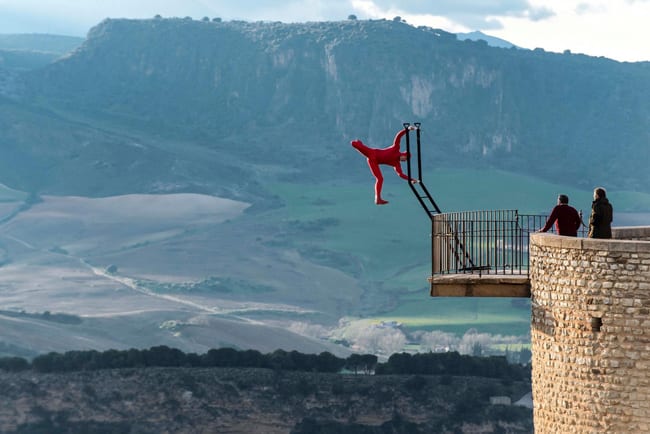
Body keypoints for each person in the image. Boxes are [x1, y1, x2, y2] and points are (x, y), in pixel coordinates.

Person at [351, 126, 419, 205]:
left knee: (380, 179)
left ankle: (378, 198)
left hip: (373, 162)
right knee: (355, 144)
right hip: (372, 153)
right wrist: (407, 130)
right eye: (405, 159)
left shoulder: (396, 163)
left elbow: (400, 174)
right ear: (404, 155)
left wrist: (411, 179)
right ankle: (358, 142)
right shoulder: (396, 148)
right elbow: (398, 136)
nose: (404, 161)